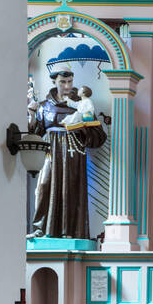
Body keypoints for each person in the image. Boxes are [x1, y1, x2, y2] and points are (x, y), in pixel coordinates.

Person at [27, 64, 107, 240]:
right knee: (43, 187)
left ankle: (68, 231)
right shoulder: (44, 106)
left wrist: (81, 128)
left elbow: (98, 136)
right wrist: (32, 114)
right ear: (55, 81)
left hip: (72, 153)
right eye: (63, 82)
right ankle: (40, 228)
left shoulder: (81, 104)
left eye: (70, 81)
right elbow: (33, 134)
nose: (67, 86)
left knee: (69, 190)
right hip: (49, 151)